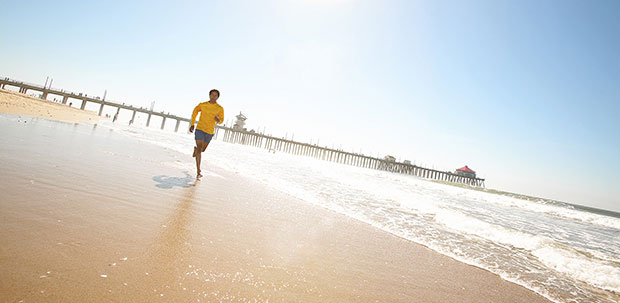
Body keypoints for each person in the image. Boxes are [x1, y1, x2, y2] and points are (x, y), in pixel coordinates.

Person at [189, 89, 224, 178]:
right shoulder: (203, 105)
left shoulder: (219, 108)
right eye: (212, 95)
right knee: (200, 148)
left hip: (209, 132)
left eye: (215, 95)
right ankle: (198, 171)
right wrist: (192, 124)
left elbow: (221, 120)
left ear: (218, 97)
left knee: (202, 150)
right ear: (209, 95)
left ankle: (195, 151)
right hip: (200, 129)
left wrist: (218, 120)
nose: (213, 97)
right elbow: (195, 112)